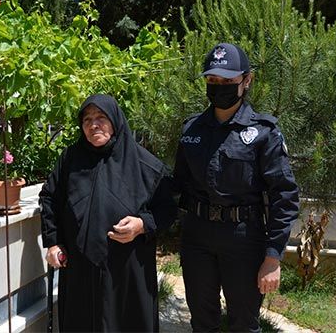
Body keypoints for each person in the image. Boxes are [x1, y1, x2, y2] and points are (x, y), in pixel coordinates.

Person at [173, 43, 299, 332]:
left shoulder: (263, 132)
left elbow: (285, 195)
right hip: (197, 237)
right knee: (202, 321)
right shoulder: (191, 130)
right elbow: (176, 185)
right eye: (213, 81)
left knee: (244, 323)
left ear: (247, 80)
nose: (219, 87)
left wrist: (273, 256)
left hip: (244, 238)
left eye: (228, 81)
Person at [39, 94, 176, 332]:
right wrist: (53, 243)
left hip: (126, 274)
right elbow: (49, 197)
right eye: (87, 119)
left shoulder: (146, 166)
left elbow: (168, 209)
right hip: (80, 270)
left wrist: (142, 225)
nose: (93, 125)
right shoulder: (70, 160)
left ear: (115, 120)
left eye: (101, 117)